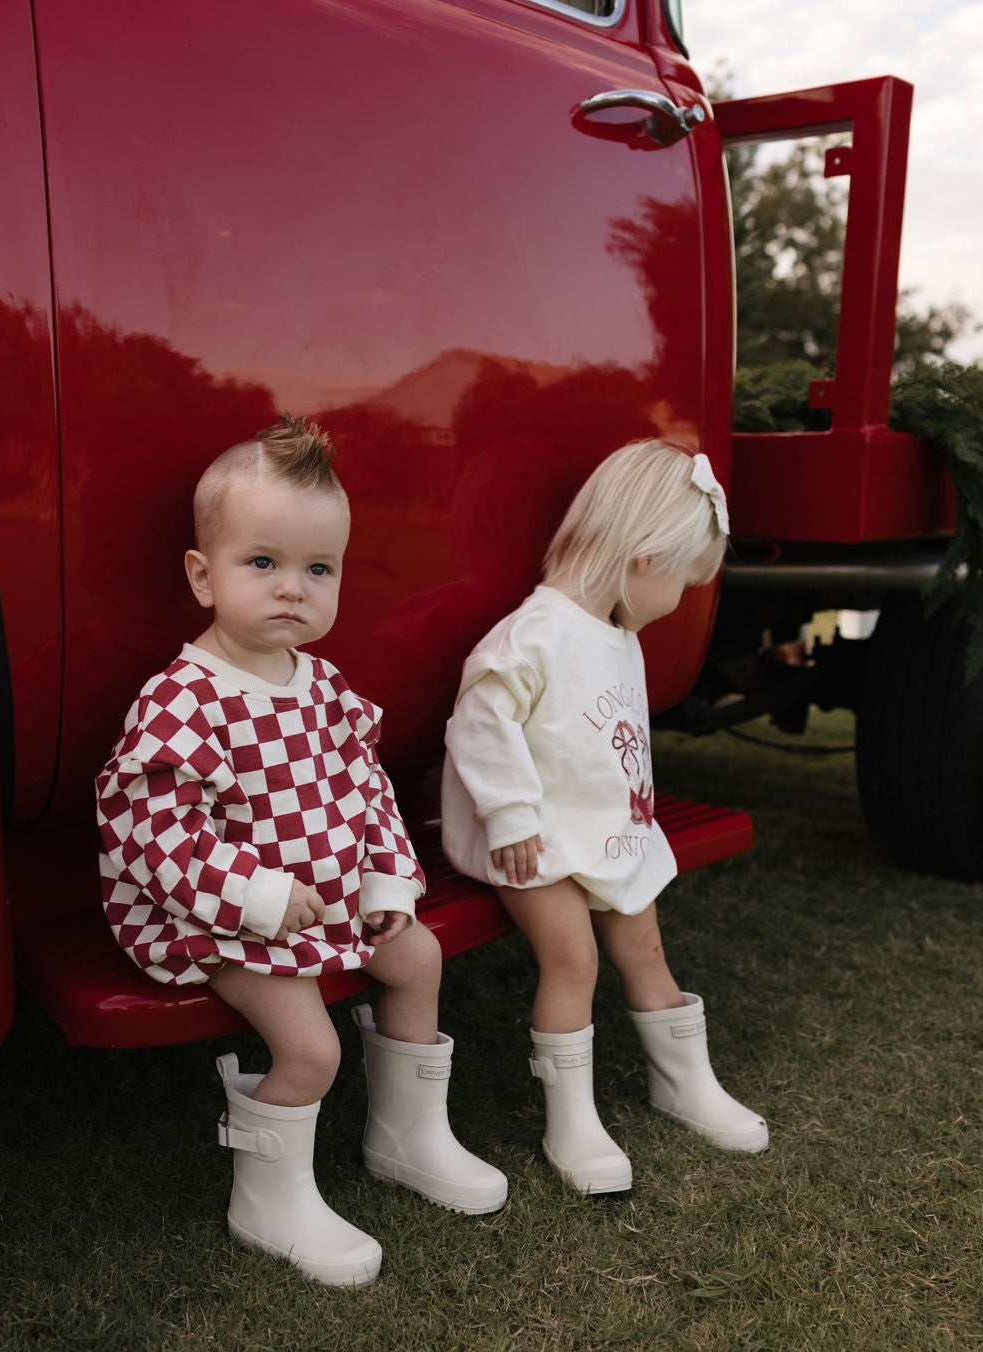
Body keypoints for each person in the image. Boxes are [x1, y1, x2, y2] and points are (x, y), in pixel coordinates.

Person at [96, 415, 506, 1287]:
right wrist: (256, 896)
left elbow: (367, 786)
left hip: (324, 896)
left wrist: (387, 874)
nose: (293, 589)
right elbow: (154, 839)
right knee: (311, 1049)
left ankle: (407, 1136)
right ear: (203, 578)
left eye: (318, 569)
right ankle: (268, 1196)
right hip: (215, 918)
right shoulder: (183, 700)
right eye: (264, 564)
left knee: (419, 954)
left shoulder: (322, 684)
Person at [441, 440, 767, 1194]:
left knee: (645, 948)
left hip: (605, 827)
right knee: (573, 959)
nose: (684, 599)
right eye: (687, 581)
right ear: (645, 559)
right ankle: (572, 1117)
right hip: (535, 839)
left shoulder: (618, 634)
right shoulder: (537, 633)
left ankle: (683, 1081)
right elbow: (480, 719)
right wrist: (511, 814)